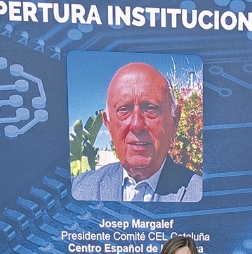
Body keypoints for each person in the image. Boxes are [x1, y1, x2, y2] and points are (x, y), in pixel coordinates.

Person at [71, 62, 202, 202]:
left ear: (174, 120)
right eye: (123, 109)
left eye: (151, 108)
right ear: (108, 123)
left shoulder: (203, 195)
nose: (137, 124)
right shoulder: (78, 189)